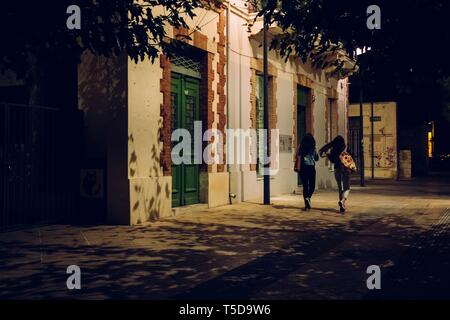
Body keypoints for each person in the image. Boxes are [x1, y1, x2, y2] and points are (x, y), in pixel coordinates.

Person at [319, 135, 350, 214]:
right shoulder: (344, 150)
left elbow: (332, 160)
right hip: (345, 170)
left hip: (337, 170)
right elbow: (350, 161)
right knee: (347, 188)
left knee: (340, 188)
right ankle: (342, 201)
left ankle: (342, 206)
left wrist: (327, 154)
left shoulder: (333, 151)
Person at [295, 133, 319, 211]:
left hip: (303, 168)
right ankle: (308, 198)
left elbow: (297, 156)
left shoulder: (301, 147)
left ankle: (306, 203)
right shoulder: (313, 147)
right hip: (311, 168)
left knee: (305, 186)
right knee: (312, 186)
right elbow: (316, 158)